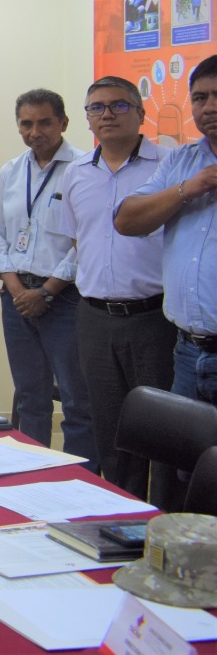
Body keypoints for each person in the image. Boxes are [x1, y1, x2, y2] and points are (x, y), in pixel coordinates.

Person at [52, 77, 173, 495]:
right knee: (109, 425)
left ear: (141, 113)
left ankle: (161, 523)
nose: (107, 114)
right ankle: (122, 513)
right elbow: (76, 240)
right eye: (97, 107)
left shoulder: (169, 165)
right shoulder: (76, 175)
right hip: (95, 318)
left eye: (119, 106)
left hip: (153, 317)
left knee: (160, 429)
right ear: (86, 119)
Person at [0, 89, 93, 460]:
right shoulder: (11, 171)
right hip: (16, 297)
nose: (35, 132)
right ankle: (31, 472)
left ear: (63, 122)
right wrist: (18, 291)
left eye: (44, 122)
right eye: (26, 124)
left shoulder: (83, 168)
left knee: (77, 399)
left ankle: (80, 481)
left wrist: (46, 291)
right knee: (30, 395)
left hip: (64, 298)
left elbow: (86, 240)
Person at [116, 53, 217, 407]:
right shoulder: (181, 161)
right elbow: (126, 220)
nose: (209, 107)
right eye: (201, 98)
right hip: (188, 350)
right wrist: (189, 189)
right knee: (186, 458)